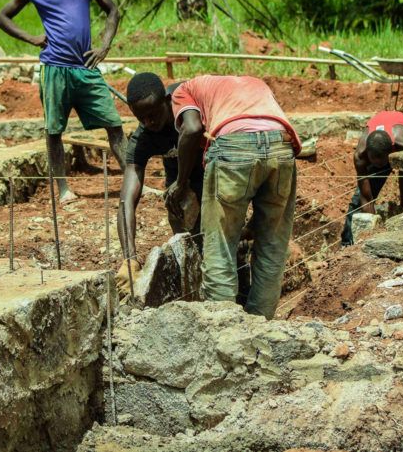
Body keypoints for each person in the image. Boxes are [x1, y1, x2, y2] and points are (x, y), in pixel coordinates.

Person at [0, 0, 127, 203]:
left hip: (86, 68)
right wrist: (31, 38)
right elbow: (2, 17)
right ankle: (64, 190)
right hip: (54, 68)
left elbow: (112, 10)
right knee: (54, 131)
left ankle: (133, 180)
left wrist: (104, 45)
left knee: (114, 124)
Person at [165, 75, 301, 319]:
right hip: (282, 145)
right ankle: (261, 325)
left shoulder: (183, 91)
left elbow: (193, 128)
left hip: (233, 146)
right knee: (272, 245)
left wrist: (181, 182)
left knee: (220, 246)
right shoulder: (250, 82)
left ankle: (224, 331)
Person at [119, 71, 204, 258]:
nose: (149, 122)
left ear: (167, 100)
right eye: (141, 118)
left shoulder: (188, 103)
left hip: (211, 170)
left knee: (220, 240)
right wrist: (129, 258)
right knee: (189, 246)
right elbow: (126, 203)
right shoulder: (142, 139)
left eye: (153, 115)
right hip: (178, 186)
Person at [340, 111, 403, 247]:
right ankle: (347, 244)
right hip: (381, 151)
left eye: (384, 164)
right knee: (357, 203)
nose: (382, 167)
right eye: (376, 164)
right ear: (368, 156)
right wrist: (371, 227)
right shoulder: (360, 156)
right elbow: (366, 198)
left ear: (391, 153)